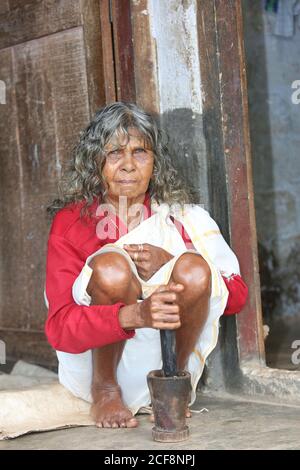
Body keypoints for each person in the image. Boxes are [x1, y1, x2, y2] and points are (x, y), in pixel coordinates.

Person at [45, 102, 248, 429]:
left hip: (162, 357)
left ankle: (173, 387)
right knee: (111, 268)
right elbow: (60, 329)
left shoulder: (181, 217)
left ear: (155, 163)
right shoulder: (72, 223)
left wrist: (170, 264)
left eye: (140, 152)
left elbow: (236, 296)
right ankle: (106, 390)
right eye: (113, 153)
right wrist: (134, 314)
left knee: (194, 267)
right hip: (94, 365)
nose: (128, 166)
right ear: (94, 162)